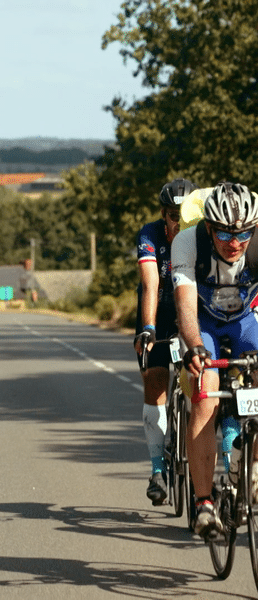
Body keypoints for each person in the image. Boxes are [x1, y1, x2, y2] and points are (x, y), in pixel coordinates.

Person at [171, 181, 258, 537]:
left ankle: (246, 463)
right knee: (205, 393)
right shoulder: (188, 242)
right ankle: (204, 503)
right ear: (209, 227)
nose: (234, 243)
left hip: (244, 321)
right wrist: (193, 347)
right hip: (203, 323)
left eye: (243, 234)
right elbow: (186, 309)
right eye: (224, 233)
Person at [134, 178, 199, 505]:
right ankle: (157, 469)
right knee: (156, 381)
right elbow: (150, 283)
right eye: (174, 215)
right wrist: (147, 327)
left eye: (186, 215)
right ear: (164, 214)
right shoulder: (150, 234)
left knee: (202, 385)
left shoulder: (203, 234)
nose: (179, 222)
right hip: (158, 310)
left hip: (194, 314)